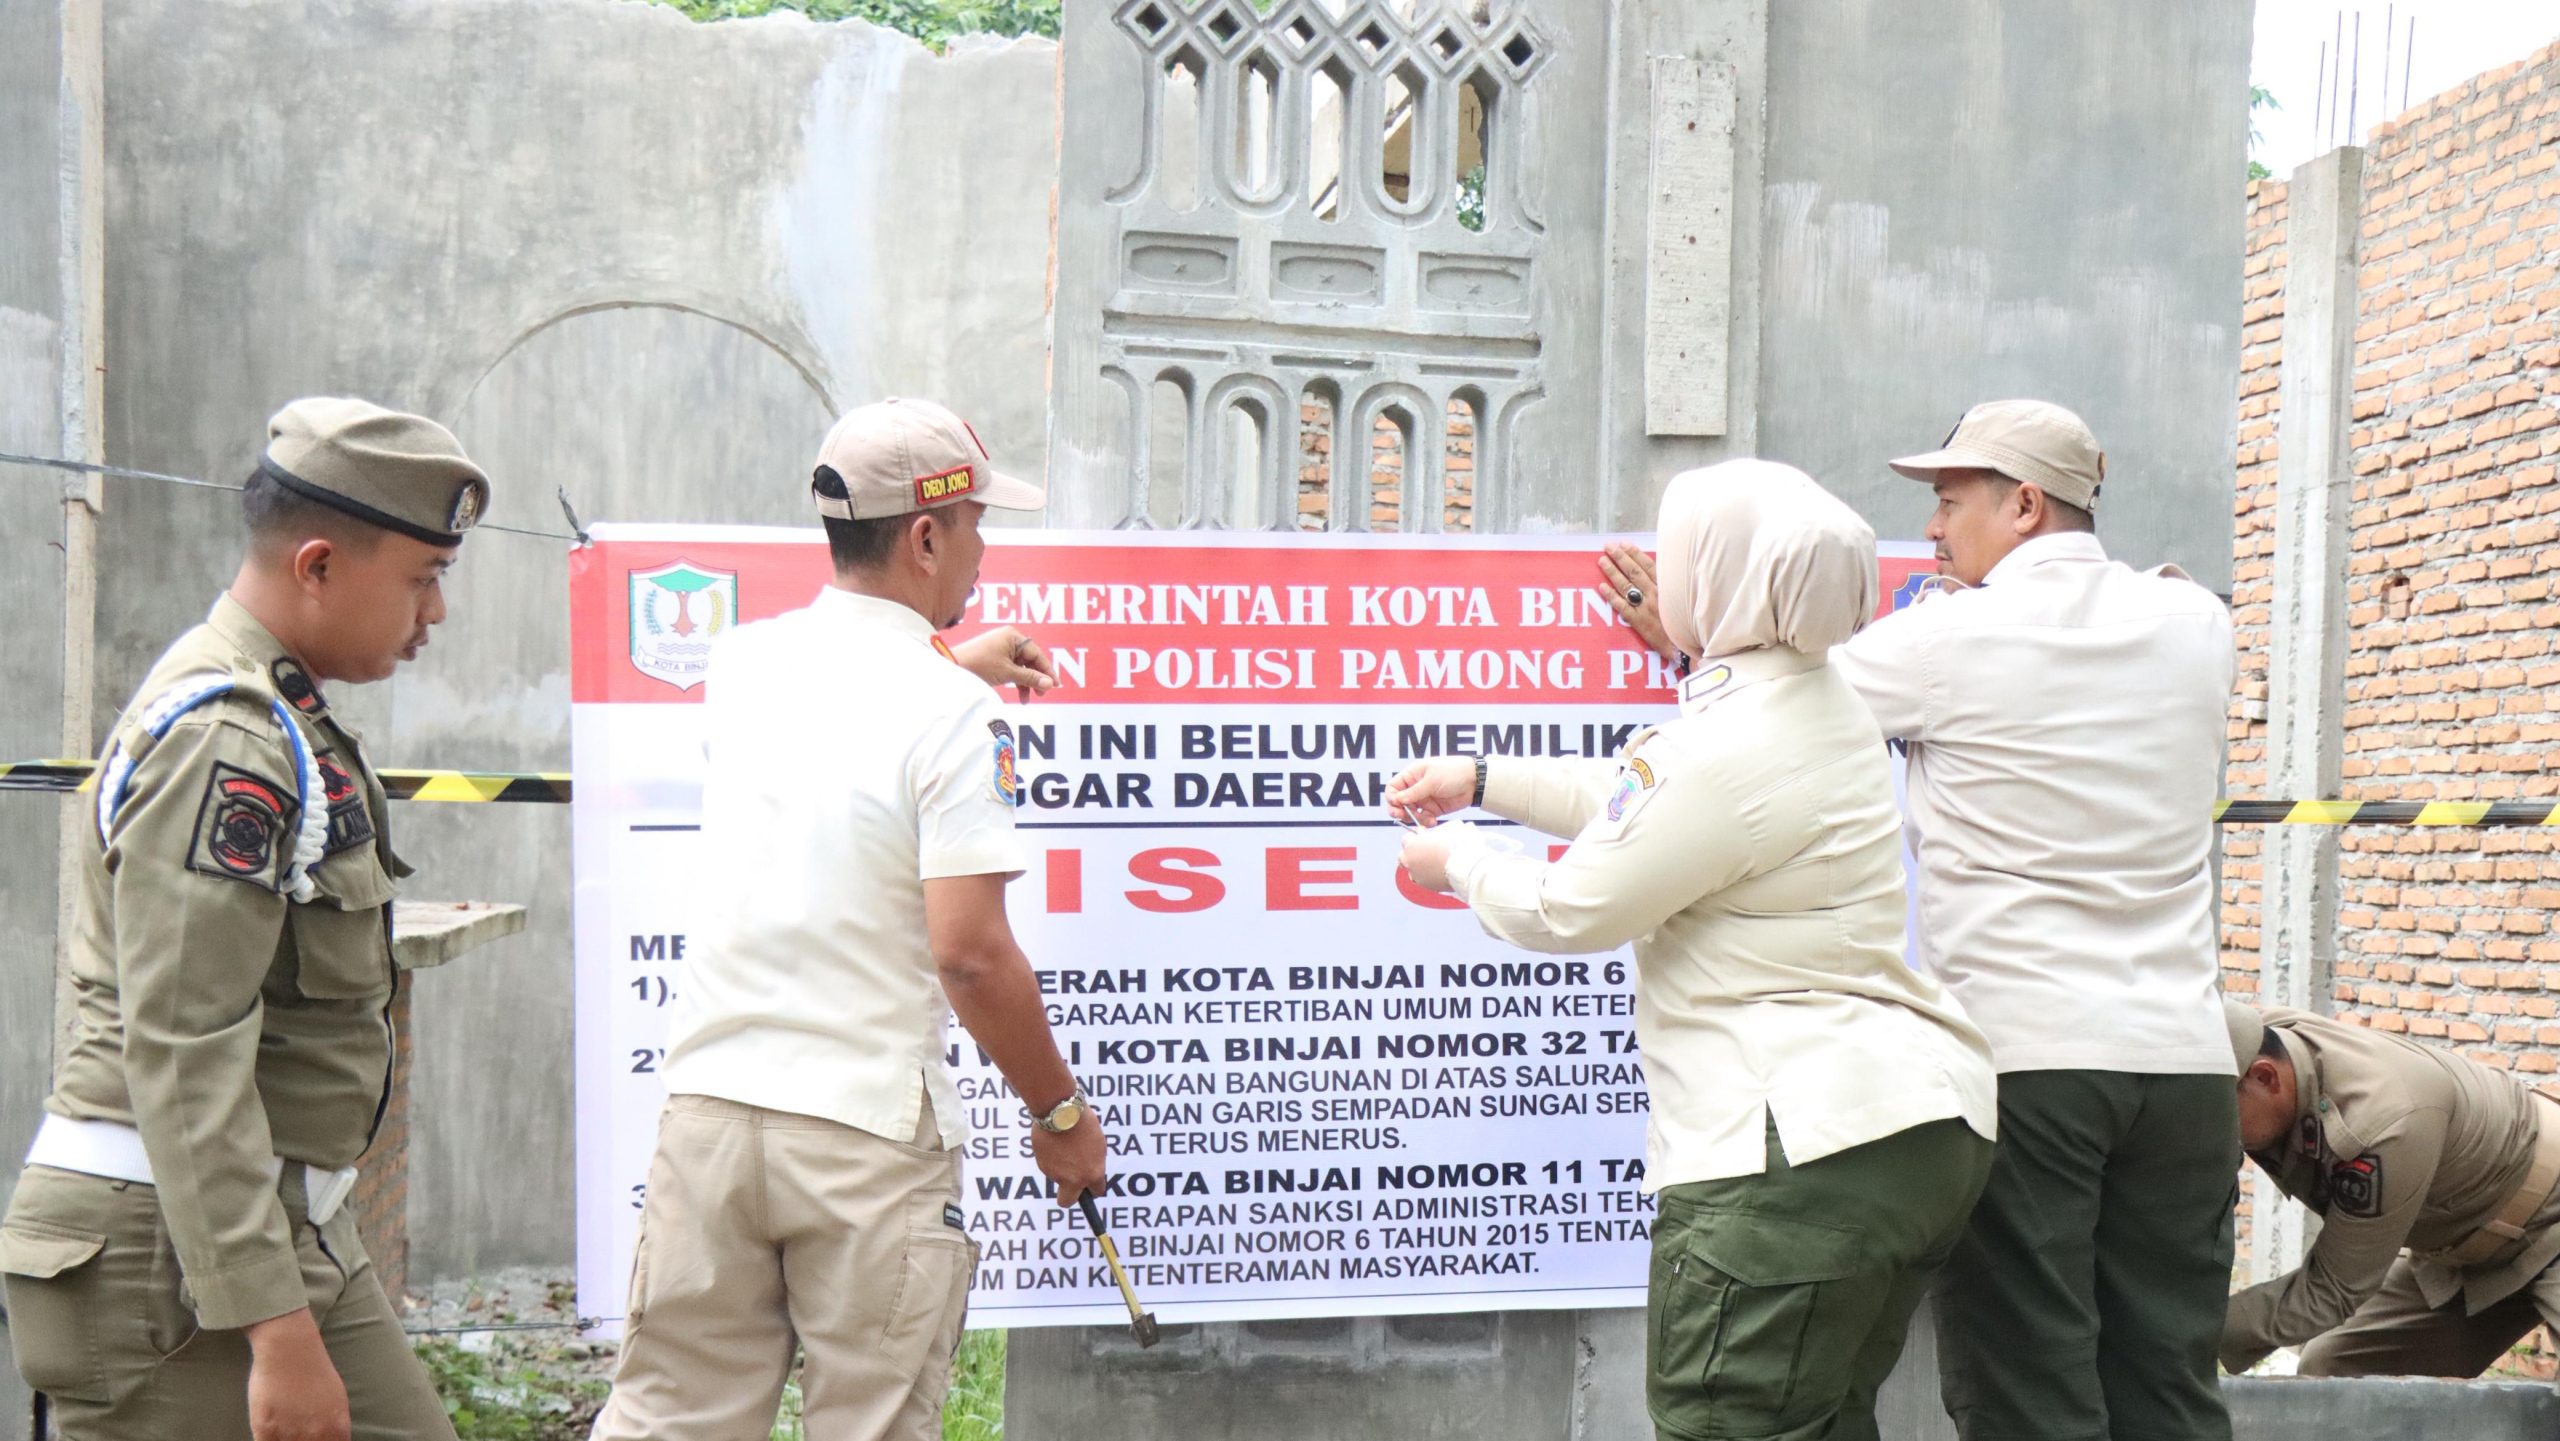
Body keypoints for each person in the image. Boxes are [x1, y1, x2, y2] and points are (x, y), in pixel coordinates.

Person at [1610, 400, 2238, 1440]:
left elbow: (1779, 713)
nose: (1934, 534)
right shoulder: (2193, 623)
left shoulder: (1946, 637)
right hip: (2185, 1070)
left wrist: (1688, 633)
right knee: (2169, 1387)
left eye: (1950, 504)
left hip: (2031, 1062)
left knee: (2032, 1390)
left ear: (2024, 504)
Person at [1392, 460, 1998, 1441]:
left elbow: (1568, 907)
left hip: (1791, 1155)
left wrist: (1454, 860)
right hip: (1913, 1132)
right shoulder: (1820, 699)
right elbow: (1655, 805)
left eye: (1679, 556)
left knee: (1727, 1423)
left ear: (1729, 577)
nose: (1666, 578)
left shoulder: (1725, 744)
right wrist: (1489, 778)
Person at [588, 398, 1107, 1441]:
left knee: (669, 1422)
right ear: (925, 536)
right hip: (863, 1137)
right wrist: (1059, 1115)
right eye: (972, 524)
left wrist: (956, 664)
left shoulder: (743, 663)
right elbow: (969, 954)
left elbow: (845, 716)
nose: (981, 548)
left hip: (712, 1117)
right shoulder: (952, 715)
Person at [0, 399, 491, 1440]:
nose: (434, 614)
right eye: (422, 578)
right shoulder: (225, 743)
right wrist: (276, 1330)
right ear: (316, 565)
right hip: (163, 1262)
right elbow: (182, 1046)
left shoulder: (279, 718)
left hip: (261, 1228)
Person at [2223, 1000, 2560, 1377]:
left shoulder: (2383, 1124)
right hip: (2462, 1245)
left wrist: (2188, 1333)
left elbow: (2331, 1290)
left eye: (2217, 1115)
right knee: (2335, 1367)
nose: (2210, 1133)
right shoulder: (2257, 1041)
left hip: (2551, 1213)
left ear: (2266, 1078)